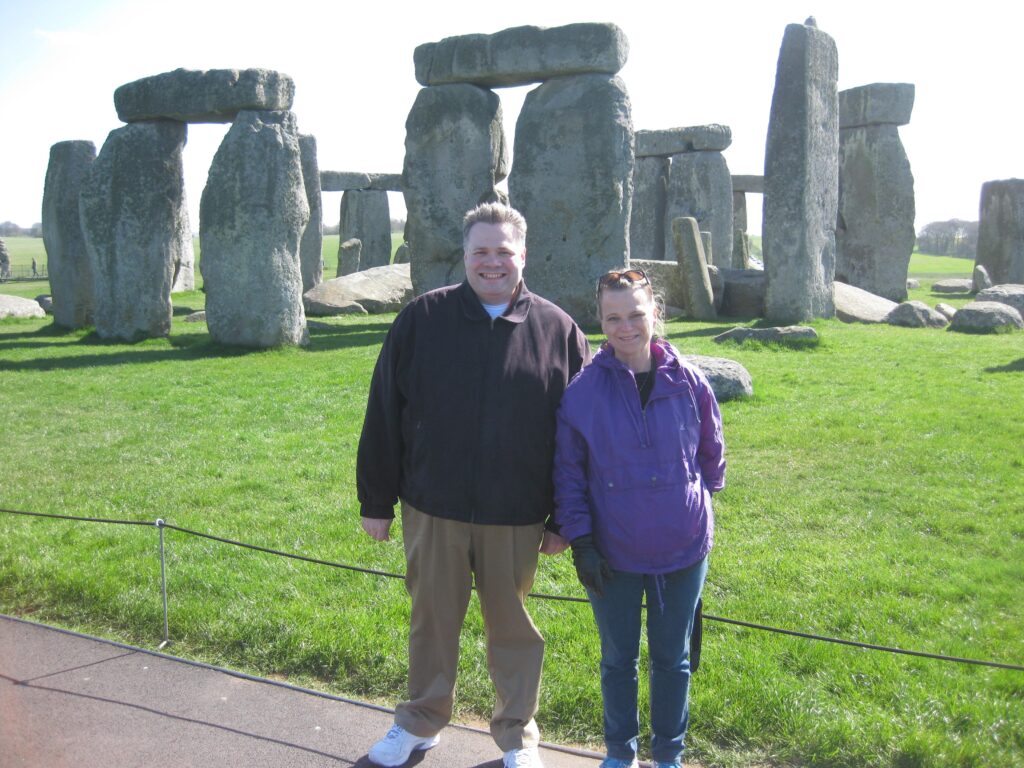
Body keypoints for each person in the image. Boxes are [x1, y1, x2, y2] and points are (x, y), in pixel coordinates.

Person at [357, 202, 590, 768]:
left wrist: (563, 518)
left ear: (523, 255)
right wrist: (375, 499)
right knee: (431, 618)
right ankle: (420, 721)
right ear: (464, 255)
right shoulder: (422, 319)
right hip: (432, 505)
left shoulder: (558, 331)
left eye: (503, 252)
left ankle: (517, 734)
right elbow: (385, 409)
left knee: (513, 629)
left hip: (515, 512)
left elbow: (578, 438)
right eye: (480, 252)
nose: (492, 263)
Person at [553, 269, 726, 768]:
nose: (625, 326)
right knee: (618, 660)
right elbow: (568, 475)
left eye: (635, 314)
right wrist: (582, 541)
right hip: (614, 551)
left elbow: (712, 456)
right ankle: (619, 753)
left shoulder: (690, 382)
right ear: (600, 321)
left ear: (655, 313)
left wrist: (694, 505)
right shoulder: (582, 394)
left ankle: (668, 755)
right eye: (613, 317)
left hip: (683, 547)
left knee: (672, 660)